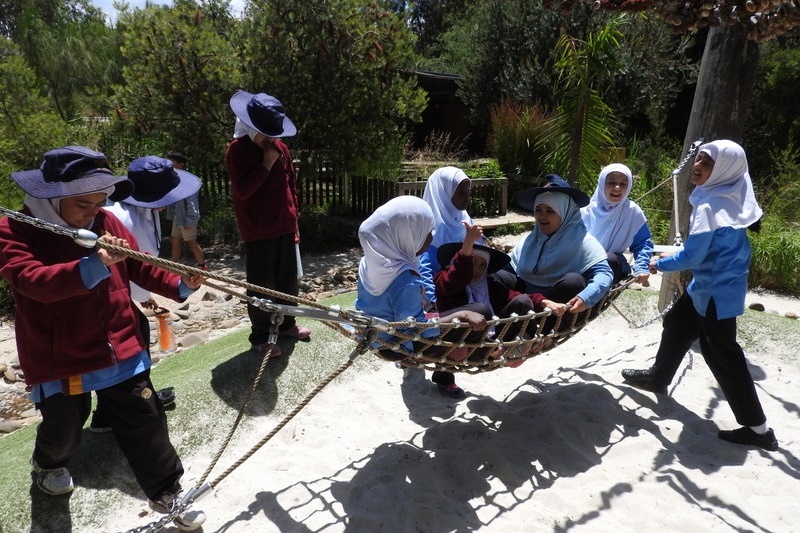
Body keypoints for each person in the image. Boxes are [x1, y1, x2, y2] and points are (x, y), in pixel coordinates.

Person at [0, 146, 206, 530]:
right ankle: (48, 463)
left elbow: (141, 266)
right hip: (60, 355)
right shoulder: (14, 230)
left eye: (99, 202)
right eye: (82, 204)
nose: (93, 212)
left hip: (120, 344)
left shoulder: (106, 220)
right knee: (63, 427)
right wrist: (92, 265)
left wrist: (179, 282)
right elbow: (32, 283)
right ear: (51, 197)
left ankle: (168, 492)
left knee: (145, 418)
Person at [620, 140, 778, 452]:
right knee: (678, 323)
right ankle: (658, 376)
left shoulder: (708, 207)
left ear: (723, 170)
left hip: (716, 292)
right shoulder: (729, 196)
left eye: (707, 163)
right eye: (698, 159)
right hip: (714, 284)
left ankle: (758, 429)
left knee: (723, 354)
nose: (697, 166)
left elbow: (691, 257)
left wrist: (657, 263)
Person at [355, 196, 492, 399]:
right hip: (399, 345)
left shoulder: (370, 262)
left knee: (450, 311)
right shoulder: (405, 280)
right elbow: (414, 329)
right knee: (480, 311)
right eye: (427, 232)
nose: (431, 237)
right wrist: (462, 314)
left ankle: (460, 354)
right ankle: (480, 354)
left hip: (377, 336)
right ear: (408, 235)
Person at [101, 155, 203, 423]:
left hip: (131, 288)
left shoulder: (147, 212)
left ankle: (107, 414)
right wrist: (144, 296)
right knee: (132, 345)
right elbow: (135, 265)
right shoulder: (123, 218)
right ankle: (139, 405)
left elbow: (148, 259)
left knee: (132, 345)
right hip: (112, 293)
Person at [225, 90, 311, 358]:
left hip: (285, 225)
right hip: (258, 230)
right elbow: (242, 192)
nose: (271, 139)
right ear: (250, 126)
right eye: (265, 132)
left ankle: (287, 324)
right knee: (262, 284)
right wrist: (265, 164)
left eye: (274, 133)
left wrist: (294, 217)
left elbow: (291, 186)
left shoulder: (281, 148)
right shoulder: (237, 151)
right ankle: (261, 336)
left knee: (287, 280)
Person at [435, 222, 566, 350]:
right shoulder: (445, 278)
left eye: (482, 265)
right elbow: (457, 277)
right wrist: (468, 242)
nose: (476, 270)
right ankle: (493, 351)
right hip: (455, 337)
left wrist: (544, 302)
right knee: (480, 310)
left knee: (523, 301)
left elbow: (517, 297)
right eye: (472, 263)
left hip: (491, 338)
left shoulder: (488, 284)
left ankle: (526, 343)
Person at [508, 174, 613, 315]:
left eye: (550, 211)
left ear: (566, 213)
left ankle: (547, 332)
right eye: (538, 210)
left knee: (573, 281)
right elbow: (508, 266)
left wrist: (586, 297)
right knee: (498, 275)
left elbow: (604, 274)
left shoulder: (583, 241)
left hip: (558, 308)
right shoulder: (531, 239)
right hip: (527, 302)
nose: (542, 216)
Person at [581, 163, 654, 283]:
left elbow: (643, 243)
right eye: (611, 182)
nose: (617, 188)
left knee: (609, 258)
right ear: (601, 183)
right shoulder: (585, 211)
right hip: (585, 264)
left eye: (623, 184)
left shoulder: (631, 211)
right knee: (572, 280)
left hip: (614, 265)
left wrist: (641, 266)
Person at [418, 166, 478, 309]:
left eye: (468, 191)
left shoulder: (465, 221)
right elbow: (423, 272)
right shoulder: (426, 231)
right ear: (443, 193)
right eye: (461, 192)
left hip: (466, 290)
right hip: (440, 298)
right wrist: (433, 305)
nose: (467, 197)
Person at [165, 151, 206, 271]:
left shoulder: (188, 180)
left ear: (181, 164)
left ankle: (202, 267)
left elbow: (192, 203)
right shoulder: (175, 178)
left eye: (172, 162)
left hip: (187, 218)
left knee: (191, 242)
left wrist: (190, 220)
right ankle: (174, 267)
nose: (169, 165)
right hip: (178, 217)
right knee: (175, 240)